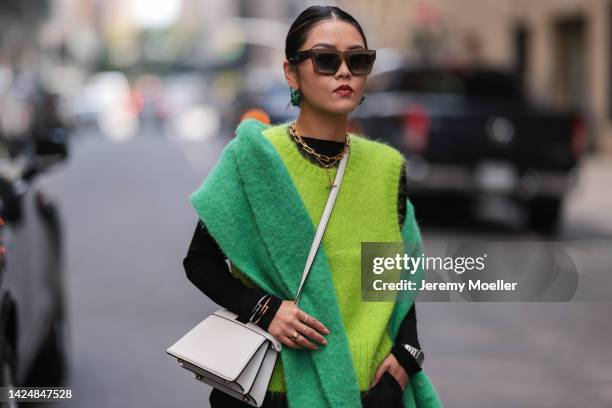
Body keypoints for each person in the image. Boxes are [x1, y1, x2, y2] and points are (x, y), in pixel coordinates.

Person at [183, 5, 442, 408]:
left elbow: (394, 280)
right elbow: (200, 262)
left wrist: (408, 352)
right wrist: (266, 310)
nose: (344, 72)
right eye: (325, 59)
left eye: (357, 60)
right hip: (273, 390)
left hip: (369, 391)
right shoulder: (253, 160)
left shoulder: (386, 166)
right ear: (292, 73)